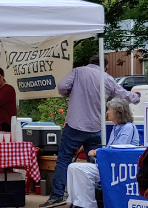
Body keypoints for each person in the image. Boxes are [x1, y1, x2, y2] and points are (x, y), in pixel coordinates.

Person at [42, 56, 141, 207]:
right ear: (105, 66)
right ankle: (98, 197)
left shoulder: (77, 72)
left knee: (64, 159)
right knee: (96, 163)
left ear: (89, 62)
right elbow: (124, 95)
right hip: (95, 126)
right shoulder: (106, 78)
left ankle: (57, 196)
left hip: (75, 124)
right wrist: (137, 97)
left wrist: (71, 93)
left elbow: (62, 86)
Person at [65, 98, 140, 208]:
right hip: (109, 165)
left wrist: (97, 152)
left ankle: (88, 204)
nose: (107, 112)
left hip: (117, 168)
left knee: (79, 169)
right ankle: (78, 202)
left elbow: (117, 149)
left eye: (109, 109)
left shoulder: (128, 127)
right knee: (72, 167)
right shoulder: (116, 127)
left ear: (118, 112)